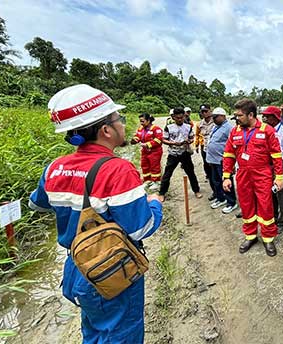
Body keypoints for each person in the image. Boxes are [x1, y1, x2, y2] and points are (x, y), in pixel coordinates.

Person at [28, 84, 163, 343]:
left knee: (93, 331)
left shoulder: (53, 168)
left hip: (77, 268)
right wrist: (154, 204)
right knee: (122, 334)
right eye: (119, 119)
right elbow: (140, 228)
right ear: (106, 130)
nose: (124, 125)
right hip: (112, 270)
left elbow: (39, 204)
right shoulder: (118, 170)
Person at [223, 99, 283, 257]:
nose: (236, 118)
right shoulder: (235, 131)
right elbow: (229, 154)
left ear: (250, 115)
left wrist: (279, 177)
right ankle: (250, 236)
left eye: (239, 115)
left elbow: (277, 156)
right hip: (243, 174)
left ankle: (268, 238)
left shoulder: (267, 130)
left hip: (262, 173)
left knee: (265, 205)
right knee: (246, 205)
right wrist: (226, 176)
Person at [159, 107, 202, 200]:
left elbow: (192, 138)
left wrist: (188, 141)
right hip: (173, 153)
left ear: (184, 116)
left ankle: (196, 190)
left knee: (191, 173)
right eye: (177, 118)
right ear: (173, 117)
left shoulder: (188, 127)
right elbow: (163, 140)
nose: (179, 119)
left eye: (181, 117)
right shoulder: (169, 127)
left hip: (185, 152)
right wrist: (174, 143)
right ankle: (162, 193)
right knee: (167, 174)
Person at [261, 105, 283, 232]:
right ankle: (273, 216)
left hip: (279, 166)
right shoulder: (266, 130)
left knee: (281, 195)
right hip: (268, 166)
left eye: (267, 116)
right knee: (270, 193)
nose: (265, 118)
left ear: (275, 118)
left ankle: (282, 220)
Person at [206, 107, 238, 214]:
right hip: (214, 160)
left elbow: (233, 145)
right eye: (213, 117)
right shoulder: (216, 127)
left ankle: (231, 202)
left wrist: (232, 163)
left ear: (223, 116)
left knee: (226, 181)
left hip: (222, 160)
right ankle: (221, 198)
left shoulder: (229, 128)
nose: (213, 119)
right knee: (216, 181)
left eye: (215, 117)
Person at [130, 112, 164, 191]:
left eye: (142, 121)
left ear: (148, 120)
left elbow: (159, 140)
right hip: (145, 151)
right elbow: (138, 136)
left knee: (154, 166)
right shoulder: (141, 128)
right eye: (140, 121)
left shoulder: (156, 129)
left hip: (155, 151)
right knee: (144, 165)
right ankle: (147, 180)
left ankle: (156, 182)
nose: (141, 123)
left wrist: (148, 144)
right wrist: (134, 140)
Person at [194, 104, 215, 187]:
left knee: (214, 165)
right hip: (204, 146)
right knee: (206, 164)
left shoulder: (215, 122)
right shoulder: (199, 124)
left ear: (210, 111)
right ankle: (210, 180)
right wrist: (196, 145)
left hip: (213, 147)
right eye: (202, 112)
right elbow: (197, 135)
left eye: (206, 111)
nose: (204, 113)